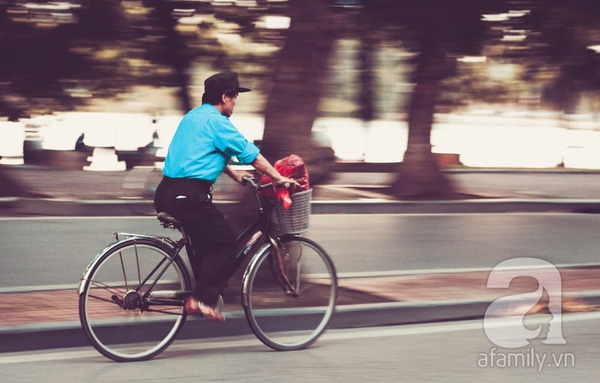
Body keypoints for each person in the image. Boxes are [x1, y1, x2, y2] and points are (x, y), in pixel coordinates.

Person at [154, 72, 296, 322]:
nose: (235, 103)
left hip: (166, 192)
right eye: (235, 97)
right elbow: (250, 154)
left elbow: (204, 153)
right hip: (189, 196)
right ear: (225, 97)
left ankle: (200, 293)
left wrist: (235, 175)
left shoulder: (193, 117)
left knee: (206, 245)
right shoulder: (218, 123)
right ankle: (200, 300)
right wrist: (277, 177)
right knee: (227, 247)